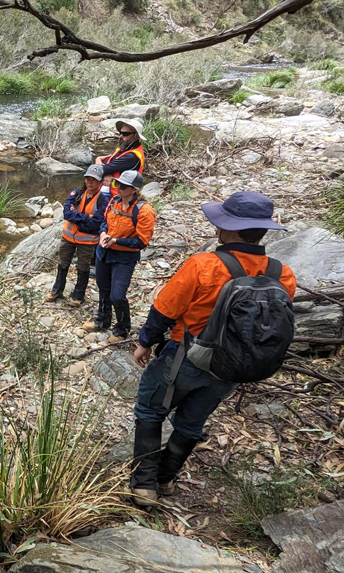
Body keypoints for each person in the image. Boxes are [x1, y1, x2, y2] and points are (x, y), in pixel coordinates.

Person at [128, 192, 296, 506]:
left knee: (151, 409)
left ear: (228, 229)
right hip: (233, 365)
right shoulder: (282, 274)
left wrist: (145, 342)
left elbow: (165, 310)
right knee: (192, 422)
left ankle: (144, 484)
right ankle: (166, 477)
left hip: (185, 356)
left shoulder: (203, 265)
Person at [84, 170, 155, 342]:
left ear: (134, 190)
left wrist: (116, 240)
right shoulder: (114, 201)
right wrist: (102, 234)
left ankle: (122, 329)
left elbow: (141, 242)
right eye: (117, 184)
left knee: (117, 294)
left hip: (124, 258)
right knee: (103, 288)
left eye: (123, 186)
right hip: (104, 252)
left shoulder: (144, 211)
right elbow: (103, 222)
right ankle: (102, 320)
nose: (118, 188)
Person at [46, 164, 110, 306]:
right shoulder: (77, 193)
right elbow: (67, 213)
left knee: (83, 267)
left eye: (93, 179)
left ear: (100, 182)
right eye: (87, 178)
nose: (89, 182)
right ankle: (57, 290)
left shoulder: (103, 200)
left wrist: (77, 217)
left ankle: (78, 295)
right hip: (68, 237)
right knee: (63, 264)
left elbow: (96, 223)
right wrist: (87, 217)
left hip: (87, 241)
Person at [96, 119, 146, 194]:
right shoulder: (123, 148)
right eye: (120, 133)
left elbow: (100, 169)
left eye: (125, 134)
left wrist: (98, 159)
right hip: (109, 190)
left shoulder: (131, 156)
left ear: (135, 136)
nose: (120, 136)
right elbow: (107, 162)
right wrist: (107, 170)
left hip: (118, 195)